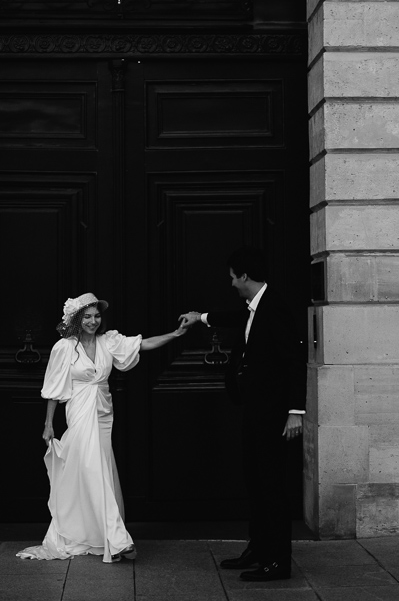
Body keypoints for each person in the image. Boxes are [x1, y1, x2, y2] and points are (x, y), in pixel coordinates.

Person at [17, 292, 189, 564]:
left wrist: (175, 334)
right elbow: (53, 388)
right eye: (87, 316)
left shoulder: (109, 342)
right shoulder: (64, 347)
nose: (93, 321)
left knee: (99, 467)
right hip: (79, 411)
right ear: (77, 318)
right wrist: (48, 423)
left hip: (103, 412)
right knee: (90, 467)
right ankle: (117, 539)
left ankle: (98, 533)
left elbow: (142, 344)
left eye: (97, 316)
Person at [180, 247, 306, 583]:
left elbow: (295, 361)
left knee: (271, 486)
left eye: (233, 277)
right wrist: (201, 318)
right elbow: (239, 319)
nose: (232, 283)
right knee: (255, 480)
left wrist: (295, 411)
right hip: (256, 410)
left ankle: (278, 561)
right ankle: (259, 549)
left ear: (245, 276)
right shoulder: (256, 307)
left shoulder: (275, 307)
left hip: (274, 415)